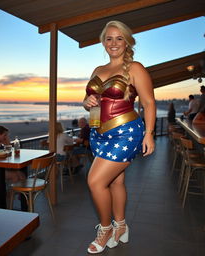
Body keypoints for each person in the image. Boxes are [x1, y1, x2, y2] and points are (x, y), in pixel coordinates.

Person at [83, 20, 156, 254]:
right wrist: (87, 103)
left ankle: (105, 229)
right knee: (116, 181)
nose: (113, 43)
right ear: (103, 42)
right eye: (109, 38)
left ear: (127, 42)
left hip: (125, 132)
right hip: (98, 133)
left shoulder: (135, 68)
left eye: (119, 38)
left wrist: (150, 134)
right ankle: (121, 226)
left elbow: (148, 102)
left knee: (95, 181)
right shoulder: (97, 70)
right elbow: (93, 104)